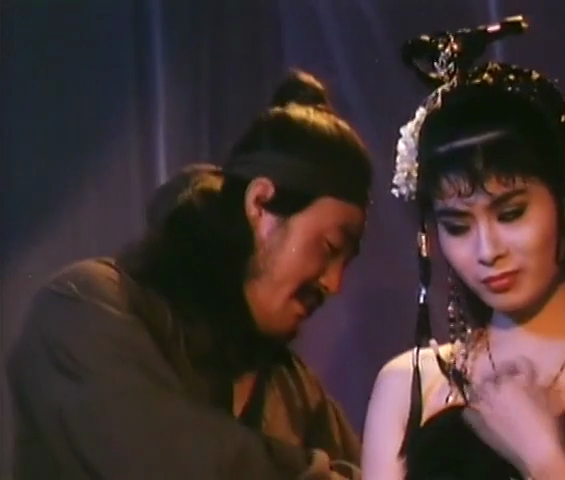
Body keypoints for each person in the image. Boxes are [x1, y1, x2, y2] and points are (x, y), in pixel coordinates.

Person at [7, 69, 371, 480]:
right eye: (329, 248)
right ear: (260, 204)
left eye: (347, 262)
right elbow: (170, 464)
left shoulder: (295, 390)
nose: (334, 283)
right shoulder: (82, 309)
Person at [361, 16, 565, 480]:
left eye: (511, 214)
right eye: (457, 225)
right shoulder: (410, 387)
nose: (487, 250)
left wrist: (544, 455)